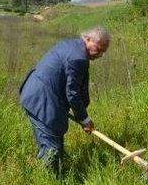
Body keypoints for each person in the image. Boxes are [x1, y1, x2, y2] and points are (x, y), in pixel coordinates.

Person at [19, 27, 110, 175]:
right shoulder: (79, 58)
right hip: (42, 100)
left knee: (55, 140)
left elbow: (74, 89)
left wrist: (82, 116)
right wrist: (85, 119)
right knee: (51, 147)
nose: (99, 54)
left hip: (41, 94)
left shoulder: (72, 46)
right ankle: (50, 183)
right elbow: (72, 93)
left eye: (103, 52)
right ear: (88, 39)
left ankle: (58, 171)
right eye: (98, 49)